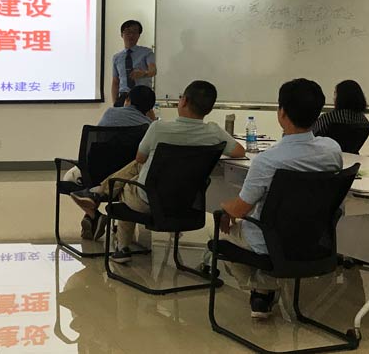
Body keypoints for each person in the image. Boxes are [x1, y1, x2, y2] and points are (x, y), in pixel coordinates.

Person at [71, 80, 244, 258]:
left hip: (147, 200)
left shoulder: (159, 128)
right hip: (186, 202)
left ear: (183, 101)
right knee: (134, 176)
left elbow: (140, 158)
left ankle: (120, 244)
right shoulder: (214, 132)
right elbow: (239, 151)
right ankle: (98, 196)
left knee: (124, 184)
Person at [217, 78, 342, 319]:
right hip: (313, 238)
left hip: (270, 241)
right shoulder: (332, 151)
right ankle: (264, 292)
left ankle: (264, 285)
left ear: (282, 113)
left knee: (222, 236)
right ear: (318, 114)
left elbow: (240, 209)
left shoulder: (267, 161)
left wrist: (224, 208)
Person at [69, 86, 157, 241]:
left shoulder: (110, 113)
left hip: (95, 174)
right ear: (150, 108)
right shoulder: (148, 127)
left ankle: (93, 215)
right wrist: (151, 119)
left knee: (69, 178)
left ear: (127, 100)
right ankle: (93, 212)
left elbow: (98, 143)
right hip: (126, 180)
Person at [111, 20, 156, 107]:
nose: (131, 35)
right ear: (122, 34)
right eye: (128, 32)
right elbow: (115, 82)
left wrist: (143, 73)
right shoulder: (116, 57)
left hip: (142, 95)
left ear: (139, 35)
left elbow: (153, 71)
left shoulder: (147, 52)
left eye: (135, 32)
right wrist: (114, 103)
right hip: (124, 96)